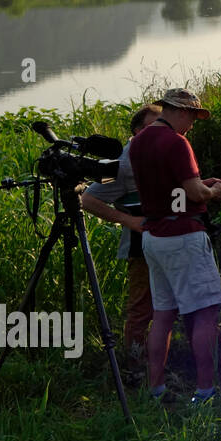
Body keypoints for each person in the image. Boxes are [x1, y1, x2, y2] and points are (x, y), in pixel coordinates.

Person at [129, 89, 221, 404]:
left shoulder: (139, 142)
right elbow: (194, 194)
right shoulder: (177, 142)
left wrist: (200, 185)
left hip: (154, 235)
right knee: (206, 312)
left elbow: (174, 188)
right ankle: (205, 391)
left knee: (162, 314)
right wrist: (212, 192)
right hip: (184, 235)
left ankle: (156, 389)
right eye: (193, 117)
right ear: (181, 112)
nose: (193, 125)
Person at [81, 103, 163, 376]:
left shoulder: (160, 154)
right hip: (140, 247)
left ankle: (158, 361)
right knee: (141, 307)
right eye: (154, 126)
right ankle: (135, 368)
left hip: (166, 240)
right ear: (138, 132)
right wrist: (128, 221)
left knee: (165, 304)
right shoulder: (122, 162)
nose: (162, 131)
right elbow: (88, 199)